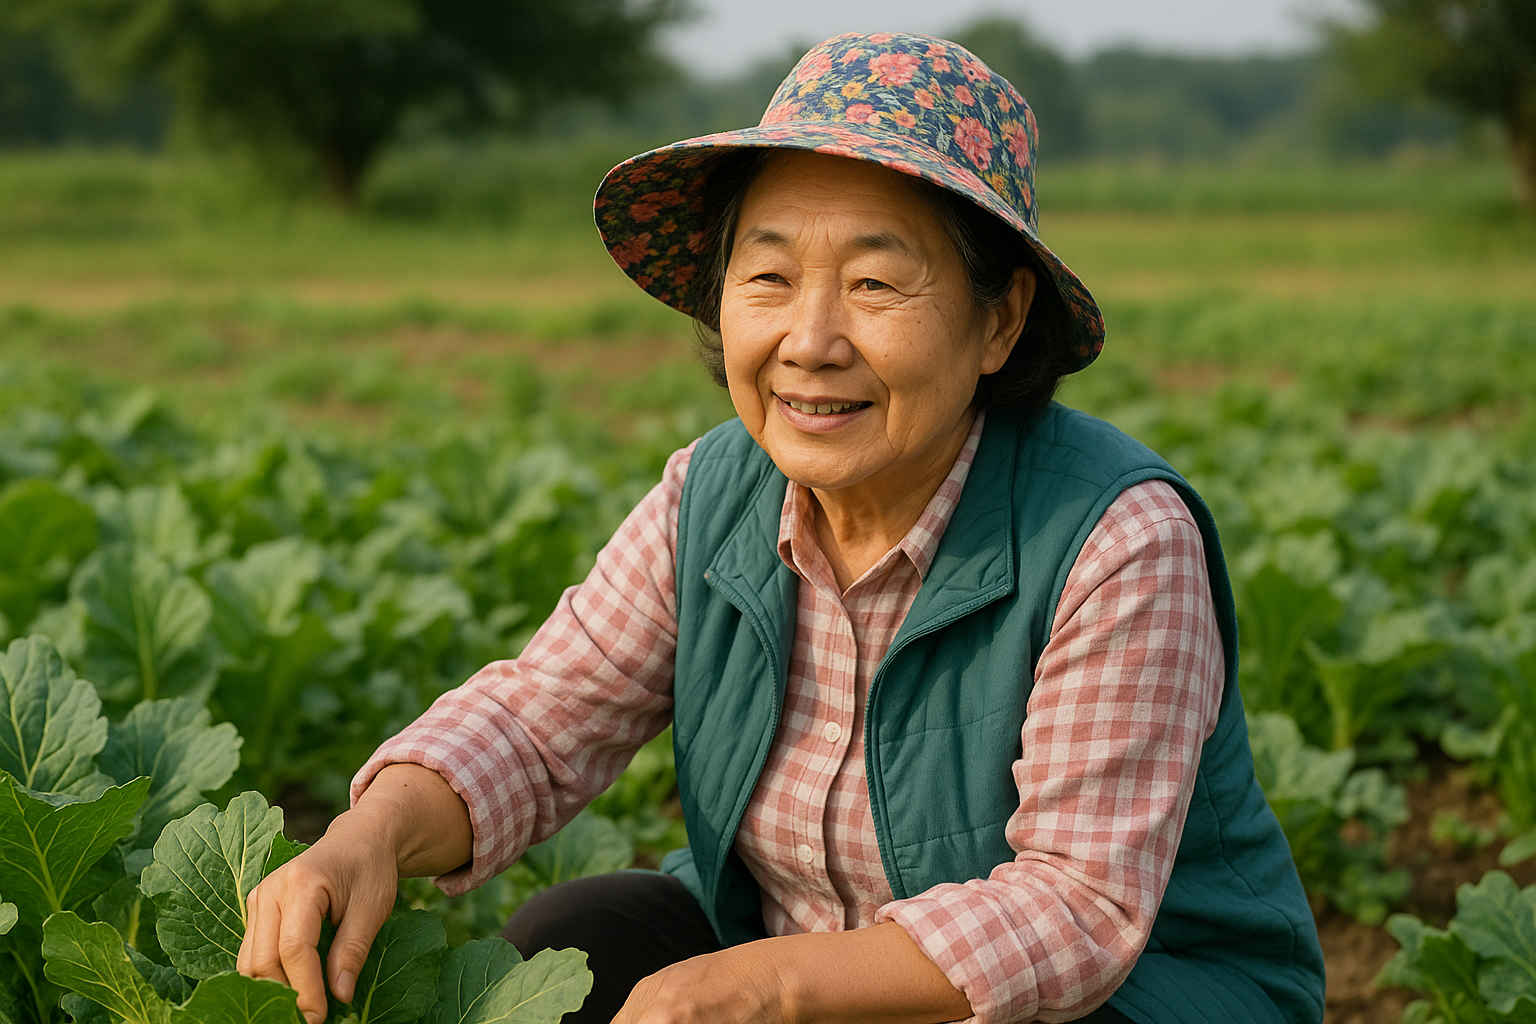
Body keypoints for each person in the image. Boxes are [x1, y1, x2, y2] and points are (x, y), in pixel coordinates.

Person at [237, 32, 1326, 1024]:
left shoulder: (1114, 536)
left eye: (873, 282)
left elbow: (1077, 908)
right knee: (574, 938)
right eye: (768, 276)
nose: (809, 339)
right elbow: (540, 718)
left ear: (999, 320)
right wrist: (364, 838)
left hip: (1139, 995)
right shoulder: (710, 494)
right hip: (805, 955)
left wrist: (766, 985)